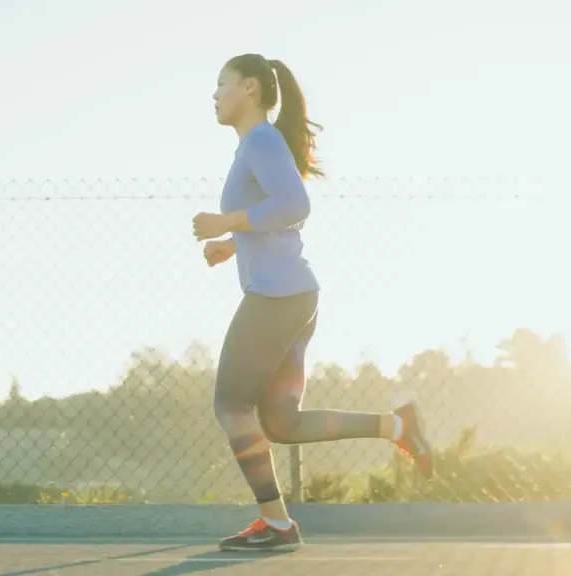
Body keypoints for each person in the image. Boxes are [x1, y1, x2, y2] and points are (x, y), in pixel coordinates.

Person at [191, 53, 434, 552]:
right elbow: (281, 217)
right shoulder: (256, 146)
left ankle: (277, 525)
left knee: (231, 404)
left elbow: (296, 205)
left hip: (278, 297)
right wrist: (232, 245)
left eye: (222, 84)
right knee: (280, 422)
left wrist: (227, 223)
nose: (214, 95)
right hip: (294, 294)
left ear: (252, 89)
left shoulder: (260, 140)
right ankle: (397, 426)